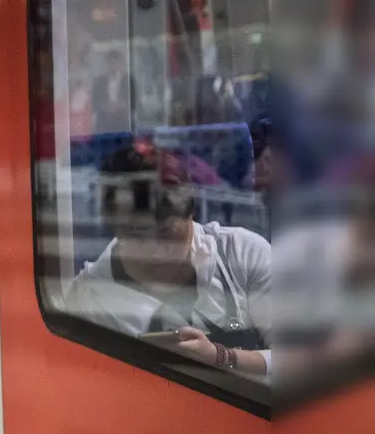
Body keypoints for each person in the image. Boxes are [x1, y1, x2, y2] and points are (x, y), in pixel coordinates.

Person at [63, 144, 271, 377]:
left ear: (190, 214)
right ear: (115, 229)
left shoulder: (243, 254)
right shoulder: (86, 300)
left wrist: (222, 357)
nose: (153, 249)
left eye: (165, 232)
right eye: (137, 235)